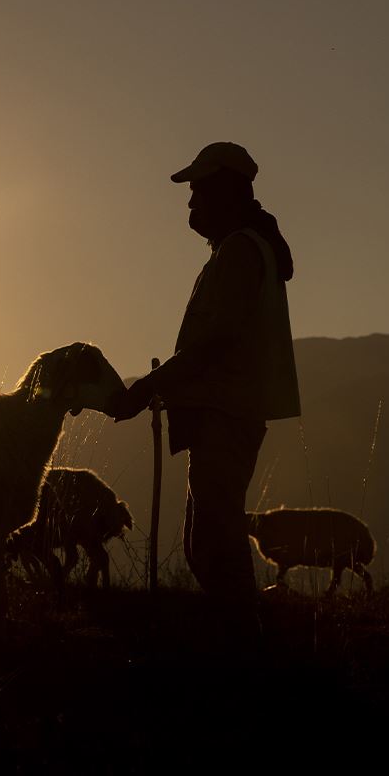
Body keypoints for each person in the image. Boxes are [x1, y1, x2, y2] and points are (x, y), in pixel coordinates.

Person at [110, 141, 300, 603]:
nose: (191, 202)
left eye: (199, 190)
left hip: (225, 409)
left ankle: (240, 642)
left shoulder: (238, 251)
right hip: (226, 407)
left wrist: (150, 387)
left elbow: (215, 341)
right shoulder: (242, 247)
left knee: (214, 537)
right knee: (205, 538)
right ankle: (236, 637)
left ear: (227, 192)